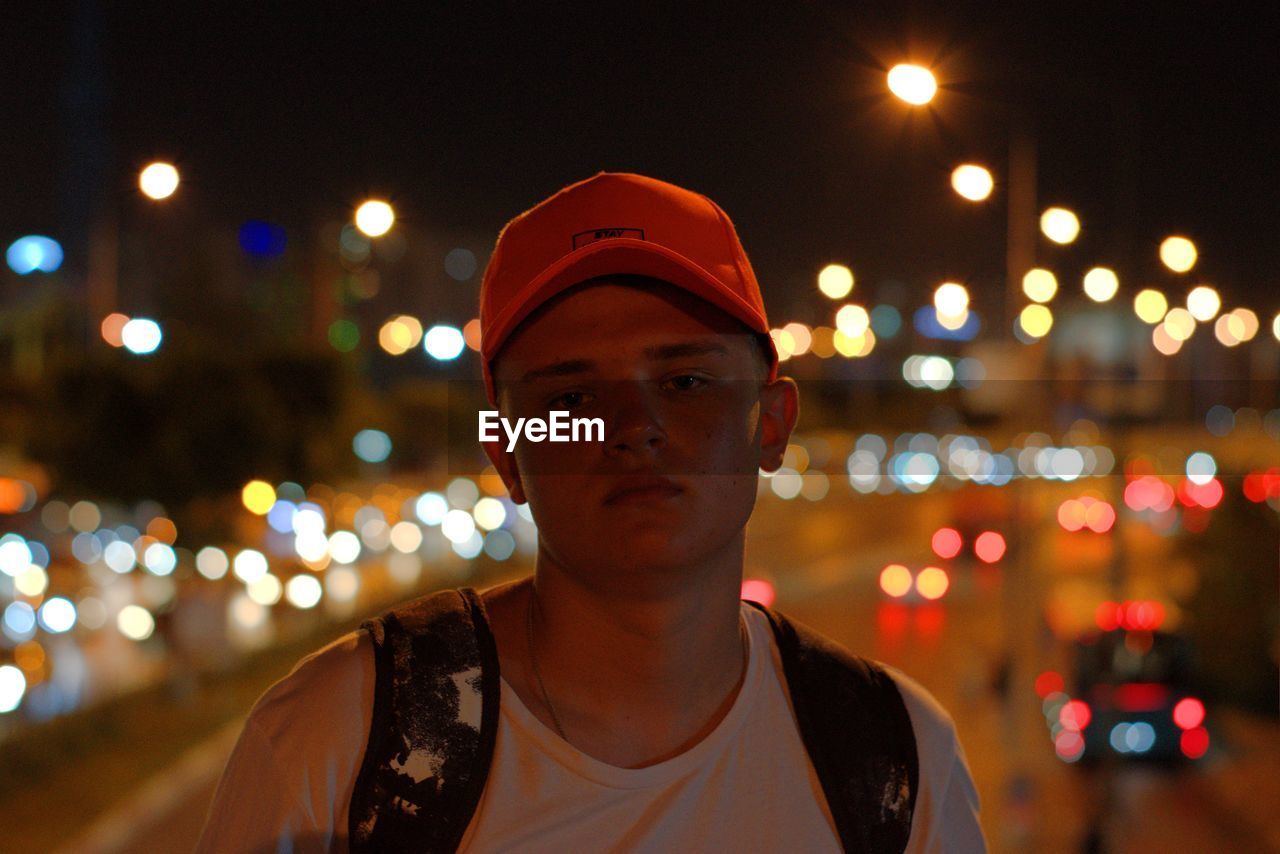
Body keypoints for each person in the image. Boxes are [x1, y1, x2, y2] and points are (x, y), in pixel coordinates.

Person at [197, 173, 985, 852]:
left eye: (685, 383)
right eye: (571, 397)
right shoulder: (340, 743)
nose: (631, 427)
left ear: (770, 424)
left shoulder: (894, 759)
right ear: (508, 451)